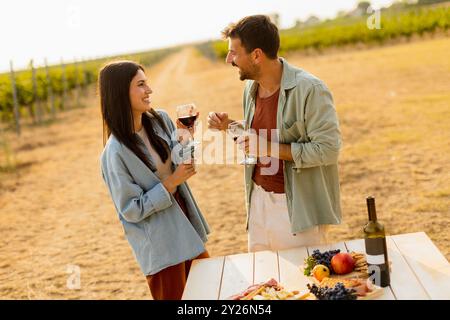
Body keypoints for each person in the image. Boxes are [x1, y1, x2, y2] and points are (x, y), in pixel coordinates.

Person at [208, 15, 342, 252]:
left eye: (234, 52)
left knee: (302, 284)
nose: (229, 59)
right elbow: (260, 136)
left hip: (295, 210)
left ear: (256, 55)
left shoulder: (310, 89)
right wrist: (229, 125)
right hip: (257, 201)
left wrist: (267, 148)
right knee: (264, 283)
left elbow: (328, 151)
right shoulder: (251, 87)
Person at [99, 60, 210, 300]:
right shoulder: (114, 152)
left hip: (187, 227)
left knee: (209, 293)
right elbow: (131, 210)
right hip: (161, 247)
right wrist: (171, 183)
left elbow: (183, 163)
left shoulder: (160, 120)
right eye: (141, 84)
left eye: (147, 83)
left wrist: (185, 138)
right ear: (120, 93)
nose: (149, 90)